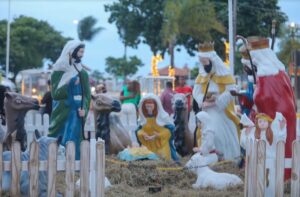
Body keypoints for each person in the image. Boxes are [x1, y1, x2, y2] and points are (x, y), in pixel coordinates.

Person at [247, 37, 296, 179]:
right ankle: (285, 173)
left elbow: (263, 97)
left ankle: (280, 175)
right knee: (286, 144)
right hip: (286, 113)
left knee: (279, 145)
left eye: (254, 58)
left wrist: (256, 93)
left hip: (276, 117)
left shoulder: (267, 75)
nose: (254, 61)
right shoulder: (279, 71)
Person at [192, 41, 240, 160]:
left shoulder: (224, 73)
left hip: (220, 111)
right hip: (206, 111)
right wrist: (202, 101)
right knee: (203, 133)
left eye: (205, 62)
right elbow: (196, 92)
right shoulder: (202, 76)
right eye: (202, 62)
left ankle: (225, 159)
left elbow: (232, 90)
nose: (204, 64)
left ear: (212, 60)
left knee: (217, 134)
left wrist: (217, 100)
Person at [48, 40, 91, 160]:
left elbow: (87, 95)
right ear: (72, 51)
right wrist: (68, 83)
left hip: (77, 112)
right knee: (58, 138)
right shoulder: (58, 71)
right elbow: (55, 94)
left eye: (83, 52)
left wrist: (84, 108)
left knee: (74, 136)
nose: (82, 55)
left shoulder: (83, 73)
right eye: (80, 52)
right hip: (62, 111)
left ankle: (76, 163)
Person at [136, 94, 178, 161]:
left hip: (160, 144)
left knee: (162, 156)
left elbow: (169, 131)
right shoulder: (143, 119)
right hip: (148, 144)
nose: (149, 109)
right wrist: (143, 134)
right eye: (147, 107)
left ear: (156, 106)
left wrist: (158, 135)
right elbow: (140, 130)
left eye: (150, 106)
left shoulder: (162, 118)